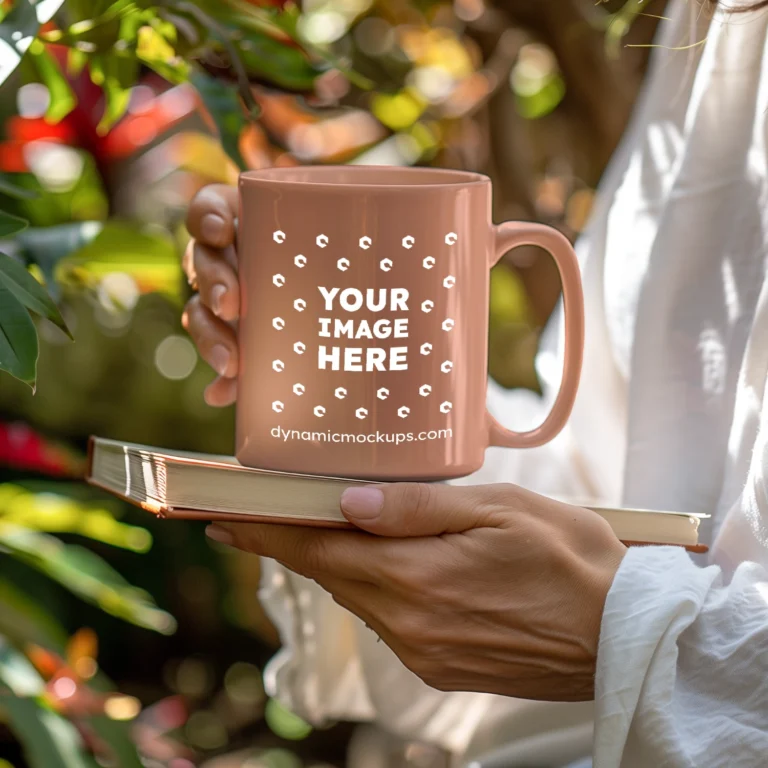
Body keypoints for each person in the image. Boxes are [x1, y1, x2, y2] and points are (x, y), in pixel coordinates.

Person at [181, 0, 768, 765]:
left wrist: (628, 635)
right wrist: (340, 379)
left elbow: (644, 587)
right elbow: (624, 488)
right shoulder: (715, 28)